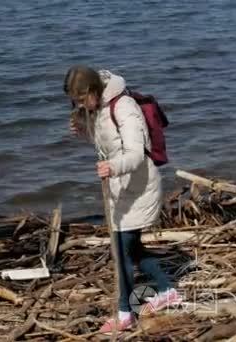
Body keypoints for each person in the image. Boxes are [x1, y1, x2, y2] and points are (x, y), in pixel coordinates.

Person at [64, 65, 181, 333]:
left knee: (121, 251)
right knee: (132, 248)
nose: (79, 106)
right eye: (75, 102)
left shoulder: (125, 107)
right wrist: (84, 129)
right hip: (120, 188)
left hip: (139, 187)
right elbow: (107, 142)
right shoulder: (99, 108)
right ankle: (167, 290)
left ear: (94, 90)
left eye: (81, 100)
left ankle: (125, 313)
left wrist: (113, 167)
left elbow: (135, 153)